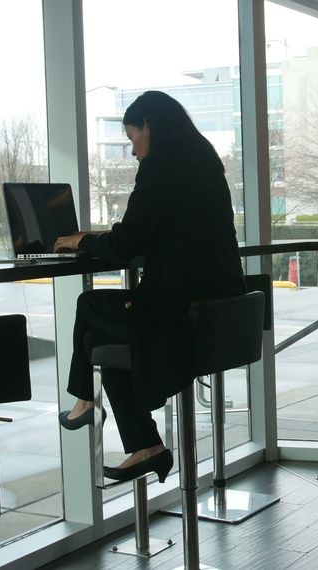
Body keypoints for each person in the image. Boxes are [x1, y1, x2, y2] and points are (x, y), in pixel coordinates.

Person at [52, 91, 245, 482]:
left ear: (149, 127)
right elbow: (160, 229)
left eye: (132, 140)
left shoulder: (161, 167)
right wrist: (103, 237)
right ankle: (139, 440)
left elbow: (127, 243)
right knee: (96, 345)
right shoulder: (205, 162)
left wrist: (82, 241)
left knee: (90, 307)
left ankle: (90, 403)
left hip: (181, 311)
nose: (133, 151)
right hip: (220, 307)